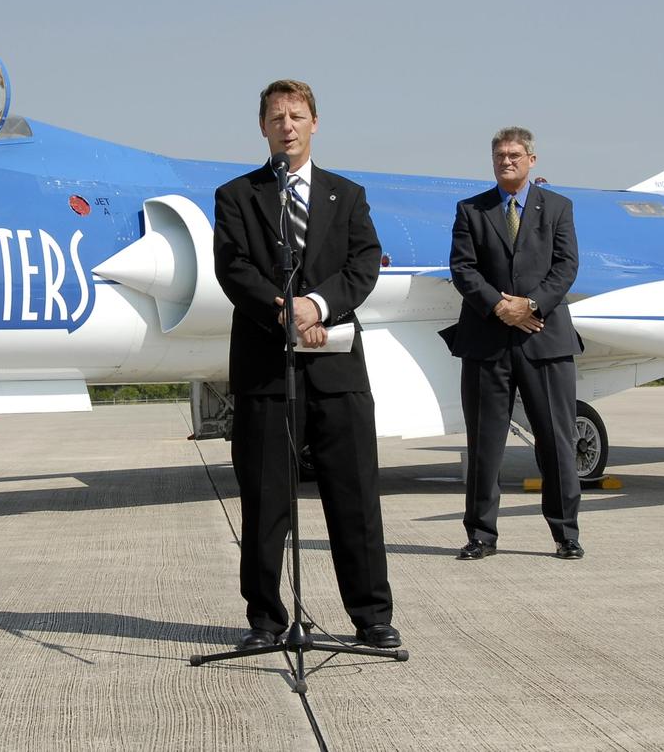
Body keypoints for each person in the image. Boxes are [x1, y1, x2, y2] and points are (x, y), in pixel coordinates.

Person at [213, 79, 398, 650]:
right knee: (265, 501)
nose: (286, 125)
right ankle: (266, 621)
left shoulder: (348, 195)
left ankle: (372, 617)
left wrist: (317, 305)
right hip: (268, 371)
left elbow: (364, 263)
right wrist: (285, 311)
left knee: (354, 498)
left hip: (337, 369)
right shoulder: (236, 196)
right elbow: (233, 268)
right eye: (276, 117)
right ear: (262, 127)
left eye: (296, 115)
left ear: (314, 122)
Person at [443, 127, 584, 561]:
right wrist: (500, 307)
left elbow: (566, 266)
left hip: (544, 341)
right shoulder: (471, 210)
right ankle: (481, 536)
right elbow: (463, 268)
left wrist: (531, 305)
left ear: (531, 160)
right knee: (484, 446)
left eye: (515, 155)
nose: (507, 161)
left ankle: (566, 534)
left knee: (556, 442)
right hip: (486, 342)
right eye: (500, 155)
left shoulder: (558, 208)